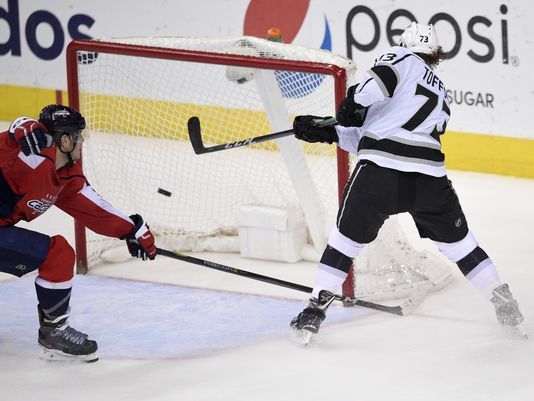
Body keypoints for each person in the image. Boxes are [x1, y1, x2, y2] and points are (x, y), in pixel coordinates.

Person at [289, 22, 526, 344]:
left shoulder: (400, 58)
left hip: (380, 176)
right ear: (435, 54)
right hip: (430, 181)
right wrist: (330, 132)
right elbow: (392, 135)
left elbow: (376, 90)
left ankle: (313, 314)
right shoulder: (439, 90)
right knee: (462, 246)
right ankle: (504, 303)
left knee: (345, 243)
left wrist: (352, 103)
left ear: (405, 43)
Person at [0, 104, 157, 362]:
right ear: (64, 140)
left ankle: (54, 331)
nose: (82, 141)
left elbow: (95, 210)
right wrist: (19, 128)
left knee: (58, 253)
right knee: (57, 254)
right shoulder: (27, 149)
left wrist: (132, 229)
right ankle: (55, 332)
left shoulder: (67, 179)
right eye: (78, 135)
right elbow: (17, 135)